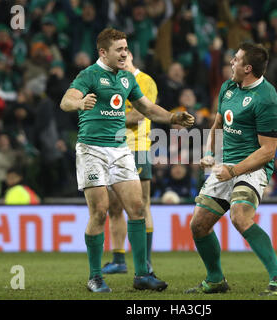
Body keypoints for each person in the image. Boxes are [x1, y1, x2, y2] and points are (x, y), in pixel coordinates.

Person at [60, 28, 194, 293]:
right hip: (92, 150)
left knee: (137, 208)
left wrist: (171, 117)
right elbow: (66, 100)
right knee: (100, 211)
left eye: (126, 48)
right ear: (103, 52)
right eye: (119, 49)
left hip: (120, 150)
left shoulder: (126, 78)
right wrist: (79, 103)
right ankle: (95, 277)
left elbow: (146, 107)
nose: (125, 53)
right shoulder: (89, 75)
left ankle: (142, 275)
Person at [187, 42, 277, 296]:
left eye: (235, 59)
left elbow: (268, 151)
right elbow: (218, 123)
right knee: (198, 225)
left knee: (240, 216)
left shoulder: (267, 99)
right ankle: (215, 280)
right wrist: (210, 153)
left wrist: (234, 171)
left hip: (252, 167)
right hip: (225, 166)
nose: (230, 62)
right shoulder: (228, 87)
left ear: (248, 68)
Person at [101, 50, 157, 276]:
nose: (121, 60)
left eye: (125, 56)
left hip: (138, 148)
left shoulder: (145, 81)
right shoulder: (111, 82)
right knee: (113, 206)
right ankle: (118, 259)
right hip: (111, 149)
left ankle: (146, 261)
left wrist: (104, 116)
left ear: (132, 55)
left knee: (141, 205)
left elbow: (138, 115)